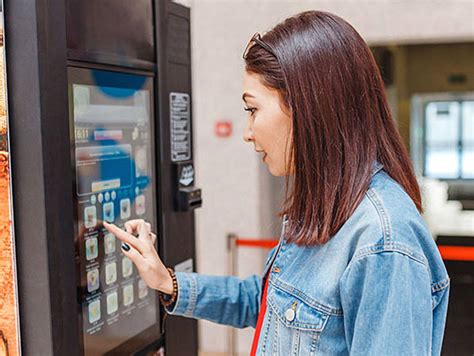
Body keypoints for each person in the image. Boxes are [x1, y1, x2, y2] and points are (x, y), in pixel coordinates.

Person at [103, 10, 450, 355]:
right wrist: (168, 281)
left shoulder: (383, 243)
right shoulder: (324, 205)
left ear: (307, 107)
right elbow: (269, 302)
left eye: (252, 110)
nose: (248, 133)